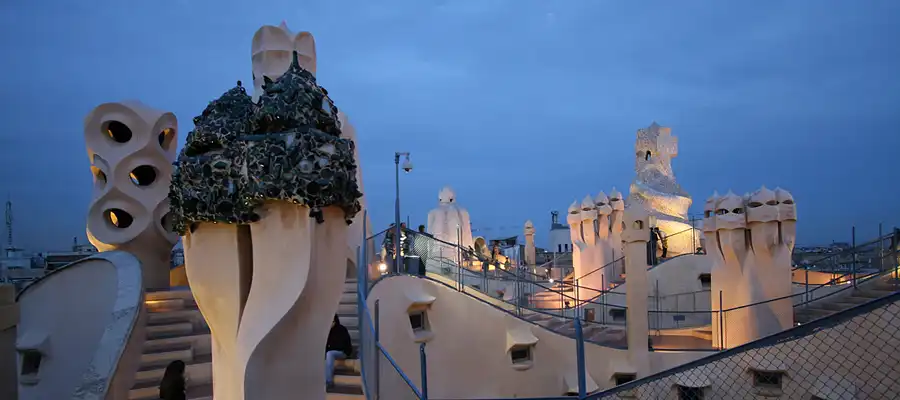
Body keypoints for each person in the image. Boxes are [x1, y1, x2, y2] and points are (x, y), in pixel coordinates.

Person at [325, 315, 353, 389]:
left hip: (343, 352)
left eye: (332, 322)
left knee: (329, 354)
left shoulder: (342, 330)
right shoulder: (328, 331)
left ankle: (329, 381)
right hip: (332, 353)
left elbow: (344, 345)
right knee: (328, 354)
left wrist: (330, 348)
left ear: (335, 321)